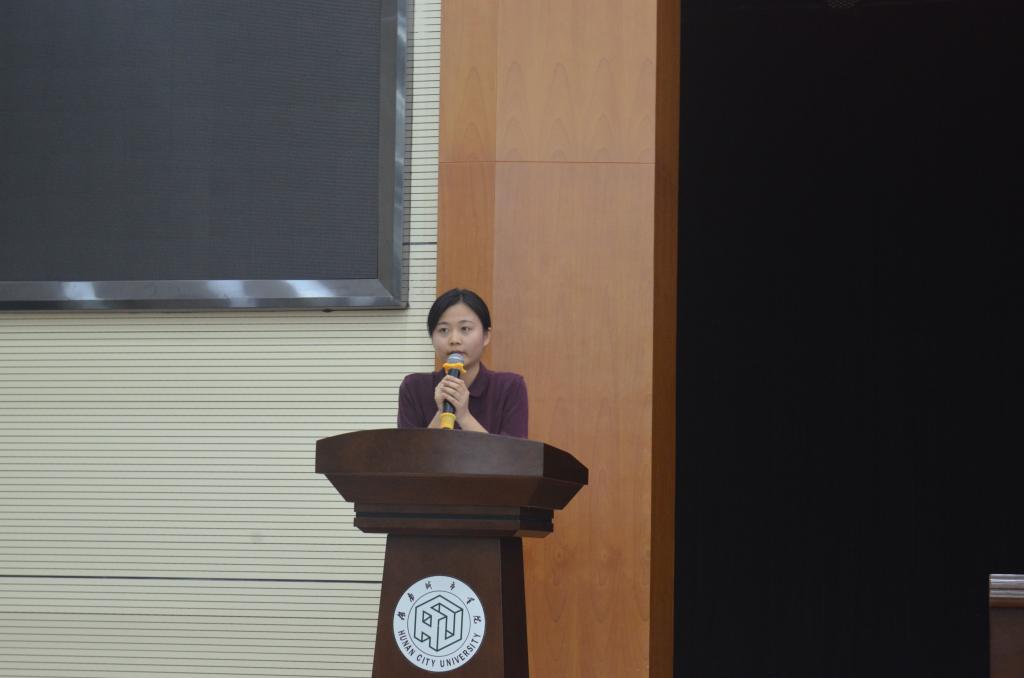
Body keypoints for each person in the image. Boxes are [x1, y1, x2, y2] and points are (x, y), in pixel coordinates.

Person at [397, 288, 528, 438]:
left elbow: (513, 452)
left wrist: (464, 416)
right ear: (431, 337)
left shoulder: (510, 387)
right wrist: (442, 412)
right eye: (443, 330)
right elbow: (408, 452)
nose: (454, 340)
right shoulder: (414, 387)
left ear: (486, 336)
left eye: (465, 329)